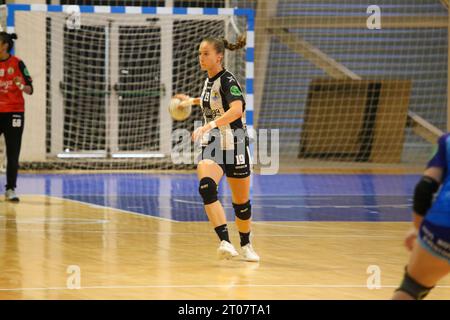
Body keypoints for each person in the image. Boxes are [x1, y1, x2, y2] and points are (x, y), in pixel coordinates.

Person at [174, 35, 259, 262]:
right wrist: (189, 102)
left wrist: (210, 124)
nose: (201, 58)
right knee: (206, 187)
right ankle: (225, 241)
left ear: (218, 57)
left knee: (241, 204)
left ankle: (246, 243)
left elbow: (237, 110)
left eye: (205, 54)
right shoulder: (208, 80)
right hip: (213, 144)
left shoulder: (228, 80)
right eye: (200, 53)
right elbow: (210, 101)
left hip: (235, 143)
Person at [392, 133, 450, 299]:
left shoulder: (446, 142)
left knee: (411, 288)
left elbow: (424, 188)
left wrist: (417, 227)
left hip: (442, 226)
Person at [0, 32, 33, 202]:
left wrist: (21, 85)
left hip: (14, 113)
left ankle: (11, 189)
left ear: (5, 45)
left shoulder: (17, 63)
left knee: (13, 153)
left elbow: (30, 89)